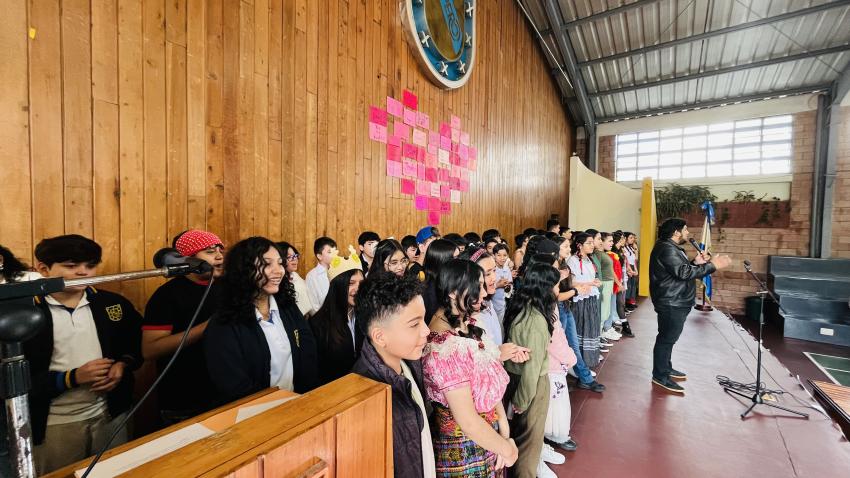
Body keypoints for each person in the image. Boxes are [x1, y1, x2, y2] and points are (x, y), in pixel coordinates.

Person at [26, 235, 142, 475]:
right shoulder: (26, 312)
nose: (83, 272)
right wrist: (72, 377)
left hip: (110, 413)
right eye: (71, 266)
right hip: (53, 423)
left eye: (90, 265)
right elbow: (13, 379)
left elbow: (136, 345)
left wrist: (123, 364)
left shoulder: (112, 303)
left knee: (115, 471)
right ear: (44, 269)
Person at [422, 259, 517, 476]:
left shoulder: (465, 324)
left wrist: (504, 431)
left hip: (488, 438)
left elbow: (488, 385)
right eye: (478, 286)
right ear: (453, 292)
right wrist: (508, 449)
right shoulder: (444, 347)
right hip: (464, 450)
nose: (483, 293)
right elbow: (467, 420)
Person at [204, 237, 318, 404]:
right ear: (244, 269)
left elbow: (308, 352)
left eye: (280, 263)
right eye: (266, 264)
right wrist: (276, 404)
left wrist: (305, 398)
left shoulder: (288, 308)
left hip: (298, 405)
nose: (278, 271)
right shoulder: (225, 323)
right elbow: (233, 384)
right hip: (256, 412)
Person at [351, 273, 436, 478]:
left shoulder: (409, 362)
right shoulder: (364, 396)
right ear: (380, 337)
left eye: (423, 320)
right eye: (414, 324)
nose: (426, 331)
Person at [143, 229, 225, 427]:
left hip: (224, 390)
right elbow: (150, 350)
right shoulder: (166, 296)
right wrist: (207, 327)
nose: (219, 256)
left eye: (220, 250)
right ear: (188, 259)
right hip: (184, 398)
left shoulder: (227, 287)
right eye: (209, 251)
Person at [649, 218, 731, 393]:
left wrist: (695, 263)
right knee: (666, 339)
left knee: (669, 338)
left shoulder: (671, 247)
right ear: (676, 232)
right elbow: (684, 273)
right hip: (671, 301)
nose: (688, 233)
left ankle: (666, 367)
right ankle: (660, 375)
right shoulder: (667, 248)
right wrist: (713, 265)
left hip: (676, 299)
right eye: (685, 229)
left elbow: (680, 271)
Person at [503, 263, 563, 478]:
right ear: (545, 288)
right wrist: (522, 399)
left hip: (516, 379)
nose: (558, 290)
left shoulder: (521, 307)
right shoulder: (536, 320)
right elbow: (533, 367)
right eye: (556, 286)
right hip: (531, 386)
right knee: (530, 443)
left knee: (520, 437)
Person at [309, 247, 365, 386]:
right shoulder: (318, 324)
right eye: (351, 283)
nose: (358, 289)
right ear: (338, 285)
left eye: (361, 283)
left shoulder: (364, 316)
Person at [566, 233, 603, 369]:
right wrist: (590, 283)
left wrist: (594, 282)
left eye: (593, 242)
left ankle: (590, 357)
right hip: (580, 299)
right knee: (581, 329)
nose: (592, 245)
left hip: (591, 297)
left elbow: (588, 278)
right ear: (579, 245)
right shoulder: (573, 260)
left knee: (591, 327)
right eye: (589, 243)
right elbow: (571, 282)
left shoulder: (589, 259)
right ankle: (579, 361)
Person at [422, 239, 459, 324]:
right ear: (442, 260)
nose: (459, 262)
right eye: (455, 258)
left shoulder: (447, 280)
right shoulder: (429, 291)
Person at [277, 241, 313, 316]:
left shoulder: (295, 275)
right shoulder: (278, 281)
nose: (295, 259)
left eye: (295, 255)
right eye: (290, 257)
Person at [305, 237, 337, 315]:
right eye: (329, 252)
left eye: (335, 251)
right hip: (322, 319)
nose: (334, 255)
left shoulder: (339, 271)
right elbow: (313, 308)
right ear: (319, 256)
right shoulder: (312, 276)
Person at [491, 244, 513, 321]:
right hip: (492, 304)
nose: (502, 258)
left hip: (502, 303)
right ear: (494, 255)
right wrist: (498, 285)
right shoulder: (491, 269)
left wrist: (508, 285)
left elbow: (510, 285)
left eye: (505, 255)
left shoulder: (507, 269)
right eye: (499, 255)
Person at [624, 232, 639, 310]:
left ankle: (630, 301)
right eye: (631, 238)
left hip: (632, 266)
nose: (633, 239)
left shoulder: (631, 247)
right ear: (626, 238)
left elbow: (635, 259)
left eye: (633, 238)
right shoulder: (624, 248)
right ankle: (626, 303)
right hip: (628, 267)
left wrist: (635, 269)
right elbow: (626, 261)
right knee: (628, 285)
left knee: (633, 285)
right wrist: (629, 270)